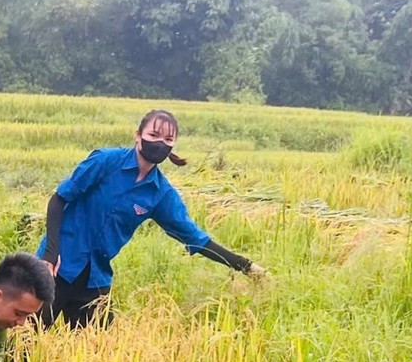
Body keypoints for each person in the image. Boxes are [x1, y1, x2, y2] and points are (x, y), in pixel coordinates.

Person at [38, 108, 266, 327]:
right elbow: (59, 199)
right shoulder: (105, 162)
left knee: (96, 351)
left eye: (168, 139)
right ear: (138, 136)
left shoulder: (160, 193)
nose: (160, 143)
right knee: (24, 341)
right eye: (153, 135)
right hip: (57, 266)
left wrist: (245, 266)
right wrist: (51, 252)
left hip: (95, 277)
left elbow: (195, 238)